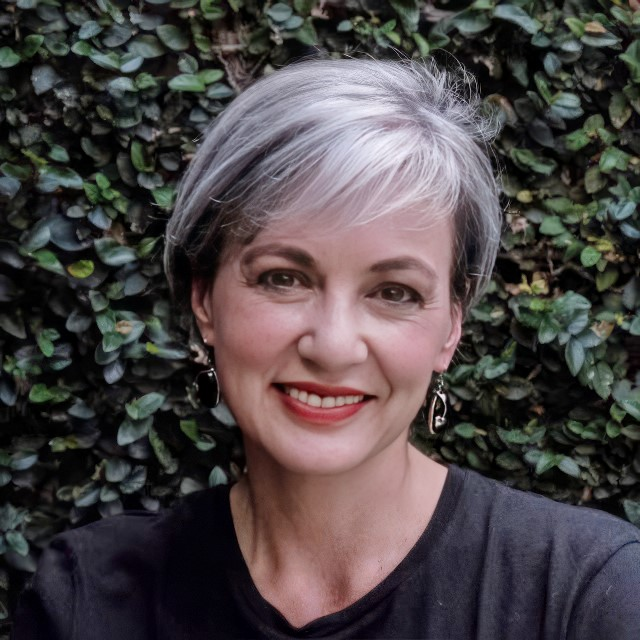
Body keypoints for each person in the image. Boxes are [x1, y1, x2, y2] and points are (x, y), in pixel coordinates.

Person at [13, 58, 640, 640]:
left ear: (451, 327)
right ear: (204, 299)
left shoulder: (587, 596)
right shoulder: (89, 600)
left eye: (393, 292)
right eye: (283, 278)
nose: (334, 347)